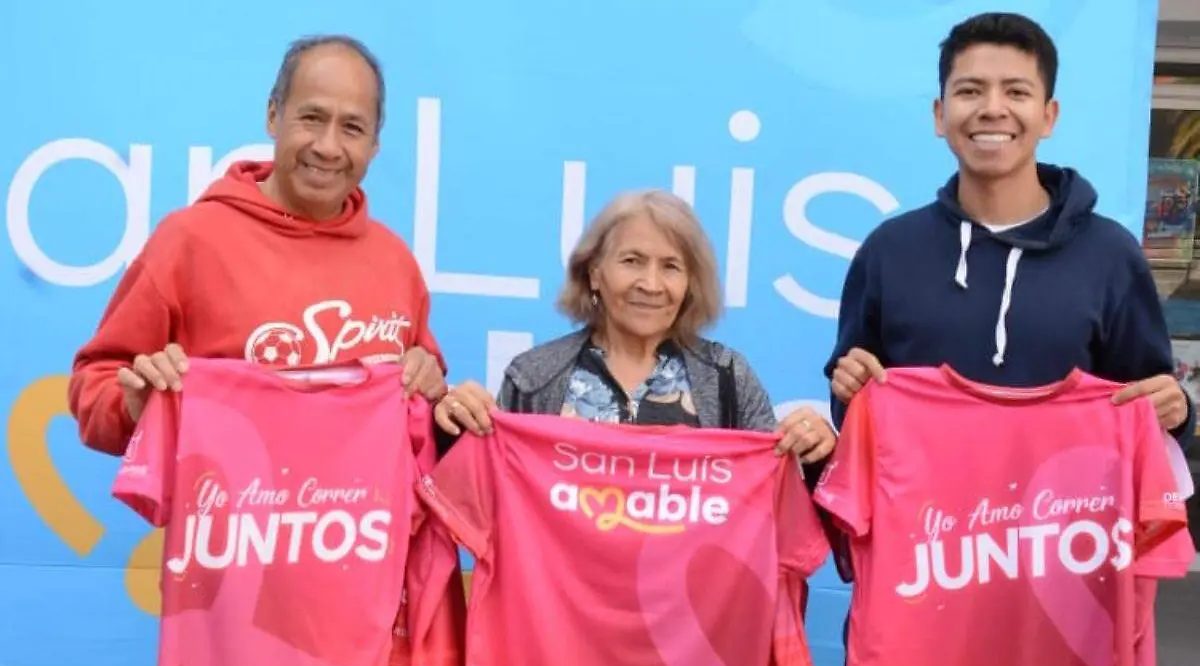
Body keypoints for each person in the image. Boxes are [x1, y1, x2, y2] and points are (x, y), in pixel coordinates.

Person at [69, 35, 447, 456]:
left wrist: (433, 393)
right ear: (273, 116)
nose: (328, 146)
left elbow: (424, 414)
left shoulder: (395, 261)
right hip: (220, 497)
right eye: (312, 118)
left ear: (374, 145)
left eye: (352, 128)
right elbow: (95, 385)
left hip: (364, 501)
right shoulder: (190, 240)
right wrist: (135, 406)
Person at [827, 12, 1194, 445]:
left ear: (1048, 116)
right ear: (940, 114)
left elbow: (1152, 408)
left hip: (1069, 489)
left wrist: (1180, 412)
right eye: (970, 91)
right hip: (918, 491)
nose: (992, 109)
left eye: (1016, 92)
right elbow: (854, 412)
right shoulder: (889, 251)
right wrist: (848, 388)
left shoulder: (1110, 255)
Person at [432, 188, 836, 462]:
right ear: (594, 272)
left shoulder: (728, 377)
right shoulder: (534, 377)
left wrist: (813, 451)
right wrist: (456, 429)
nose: (651, 284)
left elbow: (774, 499)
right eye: (632, 261)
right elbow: (485, 496)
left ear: (690, 283)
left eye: (671, 266)